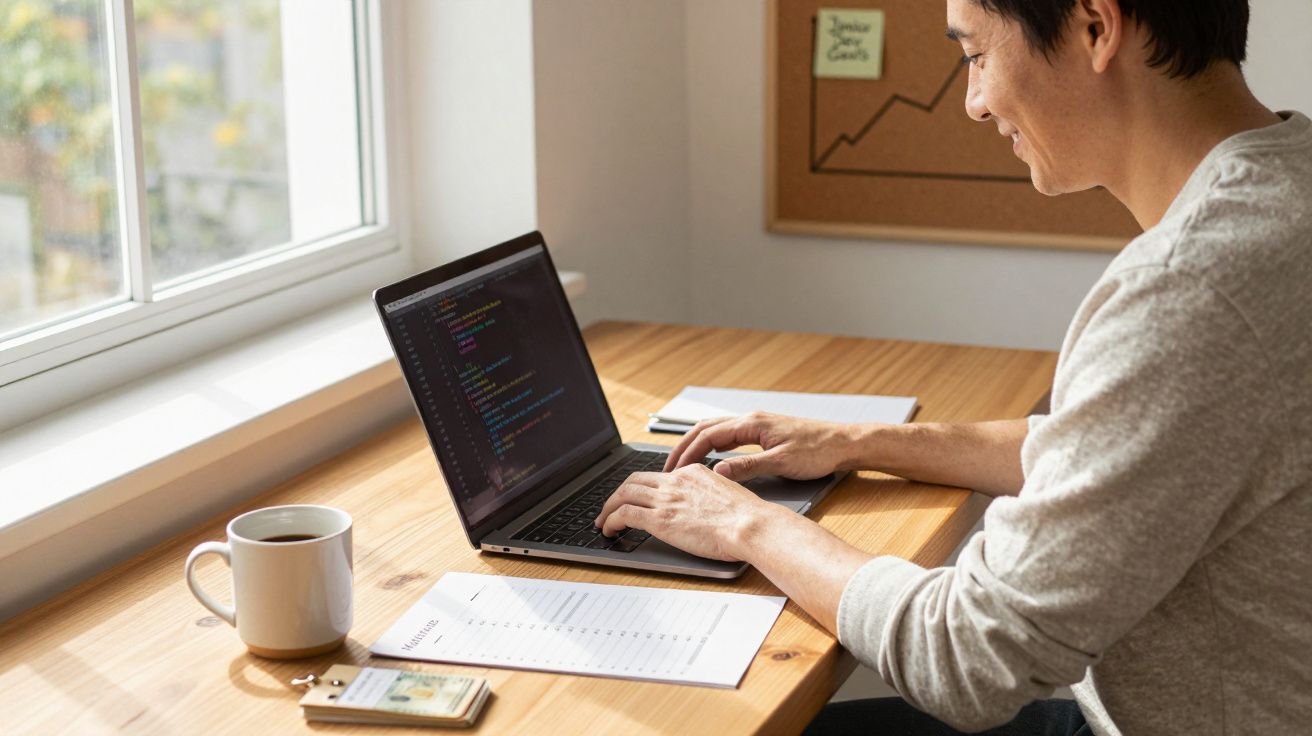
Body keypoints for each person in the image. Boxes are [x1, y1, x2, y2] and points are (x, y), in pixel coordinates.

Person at [593, 0, 1312, 733]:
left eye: (974, 55)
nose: (973, 102)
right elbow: (1118, 454)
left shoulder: (1194, 289)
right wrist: (861, 442)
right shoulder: (1289, 192)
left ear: (1096, 28)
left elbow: (968, 655)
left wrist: (747, 526)